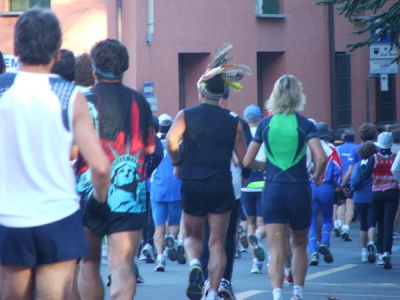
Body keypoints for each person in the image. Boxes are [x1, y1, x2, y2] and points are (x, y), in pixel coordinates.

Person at [0, 8, 110, 300]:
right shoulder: (70, 96)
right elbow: (99, 166)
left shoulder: (1, 91)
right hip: (58, 218)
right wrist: (100, 203)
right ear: (57, 54)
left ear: (15, 49)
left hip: (9, 219)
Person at [166, 42, 249, 300]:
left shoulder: (186, 115)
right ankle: (211, 293)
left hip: (192, 182)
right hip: (221, 185)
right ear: (222, 93)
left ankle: (194, 265)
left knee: (192, 235)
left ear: (202, 91)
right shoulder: (234, 122)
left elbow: (170, 141)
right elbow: (243, 158)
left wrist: (178, 161)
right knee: (218, 244)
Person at [75, 38, 155, 300]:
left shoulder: (83, 100)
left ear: (94, 69)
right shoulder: (140, 102)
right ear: (125, 67)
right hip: (132, 194)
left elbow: (73, 150)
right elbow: (152, 149)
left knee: (88, 263)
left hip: (89, 190)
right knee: (121, 265)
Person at [244, 74, 327, 300]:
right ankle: (297, 294)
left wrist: (267, 165)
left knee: (276, 248)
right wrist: (316, 175)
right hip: (298, 189)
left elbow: (247, 161)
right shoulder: (306, 124)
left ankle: (277, 294)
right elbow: (321, 158)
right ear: (298, 95)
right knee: (299, 244)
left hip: (273, 191)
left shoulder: (265, 123)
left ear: (275, 95)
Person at [200, 86, 253, 299]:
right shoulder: (237, 122)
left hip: (202, 183)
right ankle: (224, 281)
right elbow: (247, 157)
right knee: (226, 237)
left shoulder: (195, 117)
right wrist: (244, 175)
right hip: (231, 185)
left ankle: (206, 280)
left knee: (207, 235)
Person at [150, 113, 183, 271]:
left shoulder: (153, 144)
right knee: (174, 223)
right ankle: (171, 239)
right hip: (175, 187)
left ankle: (160, 258)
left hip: (157, 188)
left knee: (158, 227)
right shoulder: (178, 142)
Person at [362, 132, 398, 270]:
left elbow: (365, 176)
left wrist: (364, 166)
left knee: (380, 224)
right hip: (392, 193)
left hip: (377, 193)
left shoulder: (374, 158)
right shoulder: (396, 157)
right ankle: (387, 253)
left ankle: (380, 252)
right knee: (389, 223)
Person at [308, 122, 342, 267]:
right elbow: (338, 169)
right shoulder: (332, 149)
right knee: (327, 219)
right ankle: (325, 243)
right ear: (326, 135)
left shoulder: (309, 148)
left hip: (310, 186)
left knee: (311, 222)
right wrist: (338, 184)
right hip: (326, 186)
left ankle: (313, 252)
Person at [241, 104, 268, 274]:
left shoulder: (241, 134)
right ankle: (261, 241)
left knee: (250, 223)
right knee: (264, 223)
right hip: (264, 182)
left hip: (246, 183)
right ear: (260, 117)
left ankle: (256, 262)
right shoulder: (265, 131)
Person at [340, 123, 377, 241]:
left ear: (361, 136)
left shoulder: (356, 150)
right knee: (373, 220)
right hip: (377, 186)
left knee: (362, 222)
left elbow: (350, 170)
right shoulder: (379, 149)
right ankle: (375, 242)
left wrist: (344, 184)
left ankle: (364, 249)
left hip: (359, 187)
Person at [351, 141, 377, 263]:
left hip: (359, 198)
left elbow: (355, 181)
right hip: (372, 196)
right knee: (372, 223)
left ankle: (364, 251)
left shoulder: (358, 165)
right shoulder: (376, 165)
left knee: (363, 225)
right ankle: (372, 242)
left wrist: (352, 188)